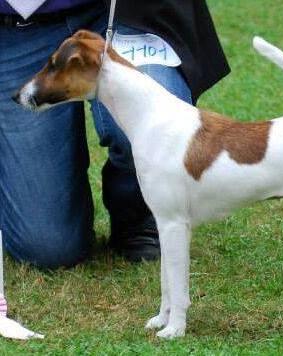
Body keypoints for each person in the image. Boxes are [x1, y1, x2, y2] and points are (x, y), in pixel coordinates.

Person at [0, 0, 230, 269]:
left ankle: (138, 218)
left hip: (120, 13)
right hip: (16, 28)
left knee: (158, 129)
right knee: (48, 249)